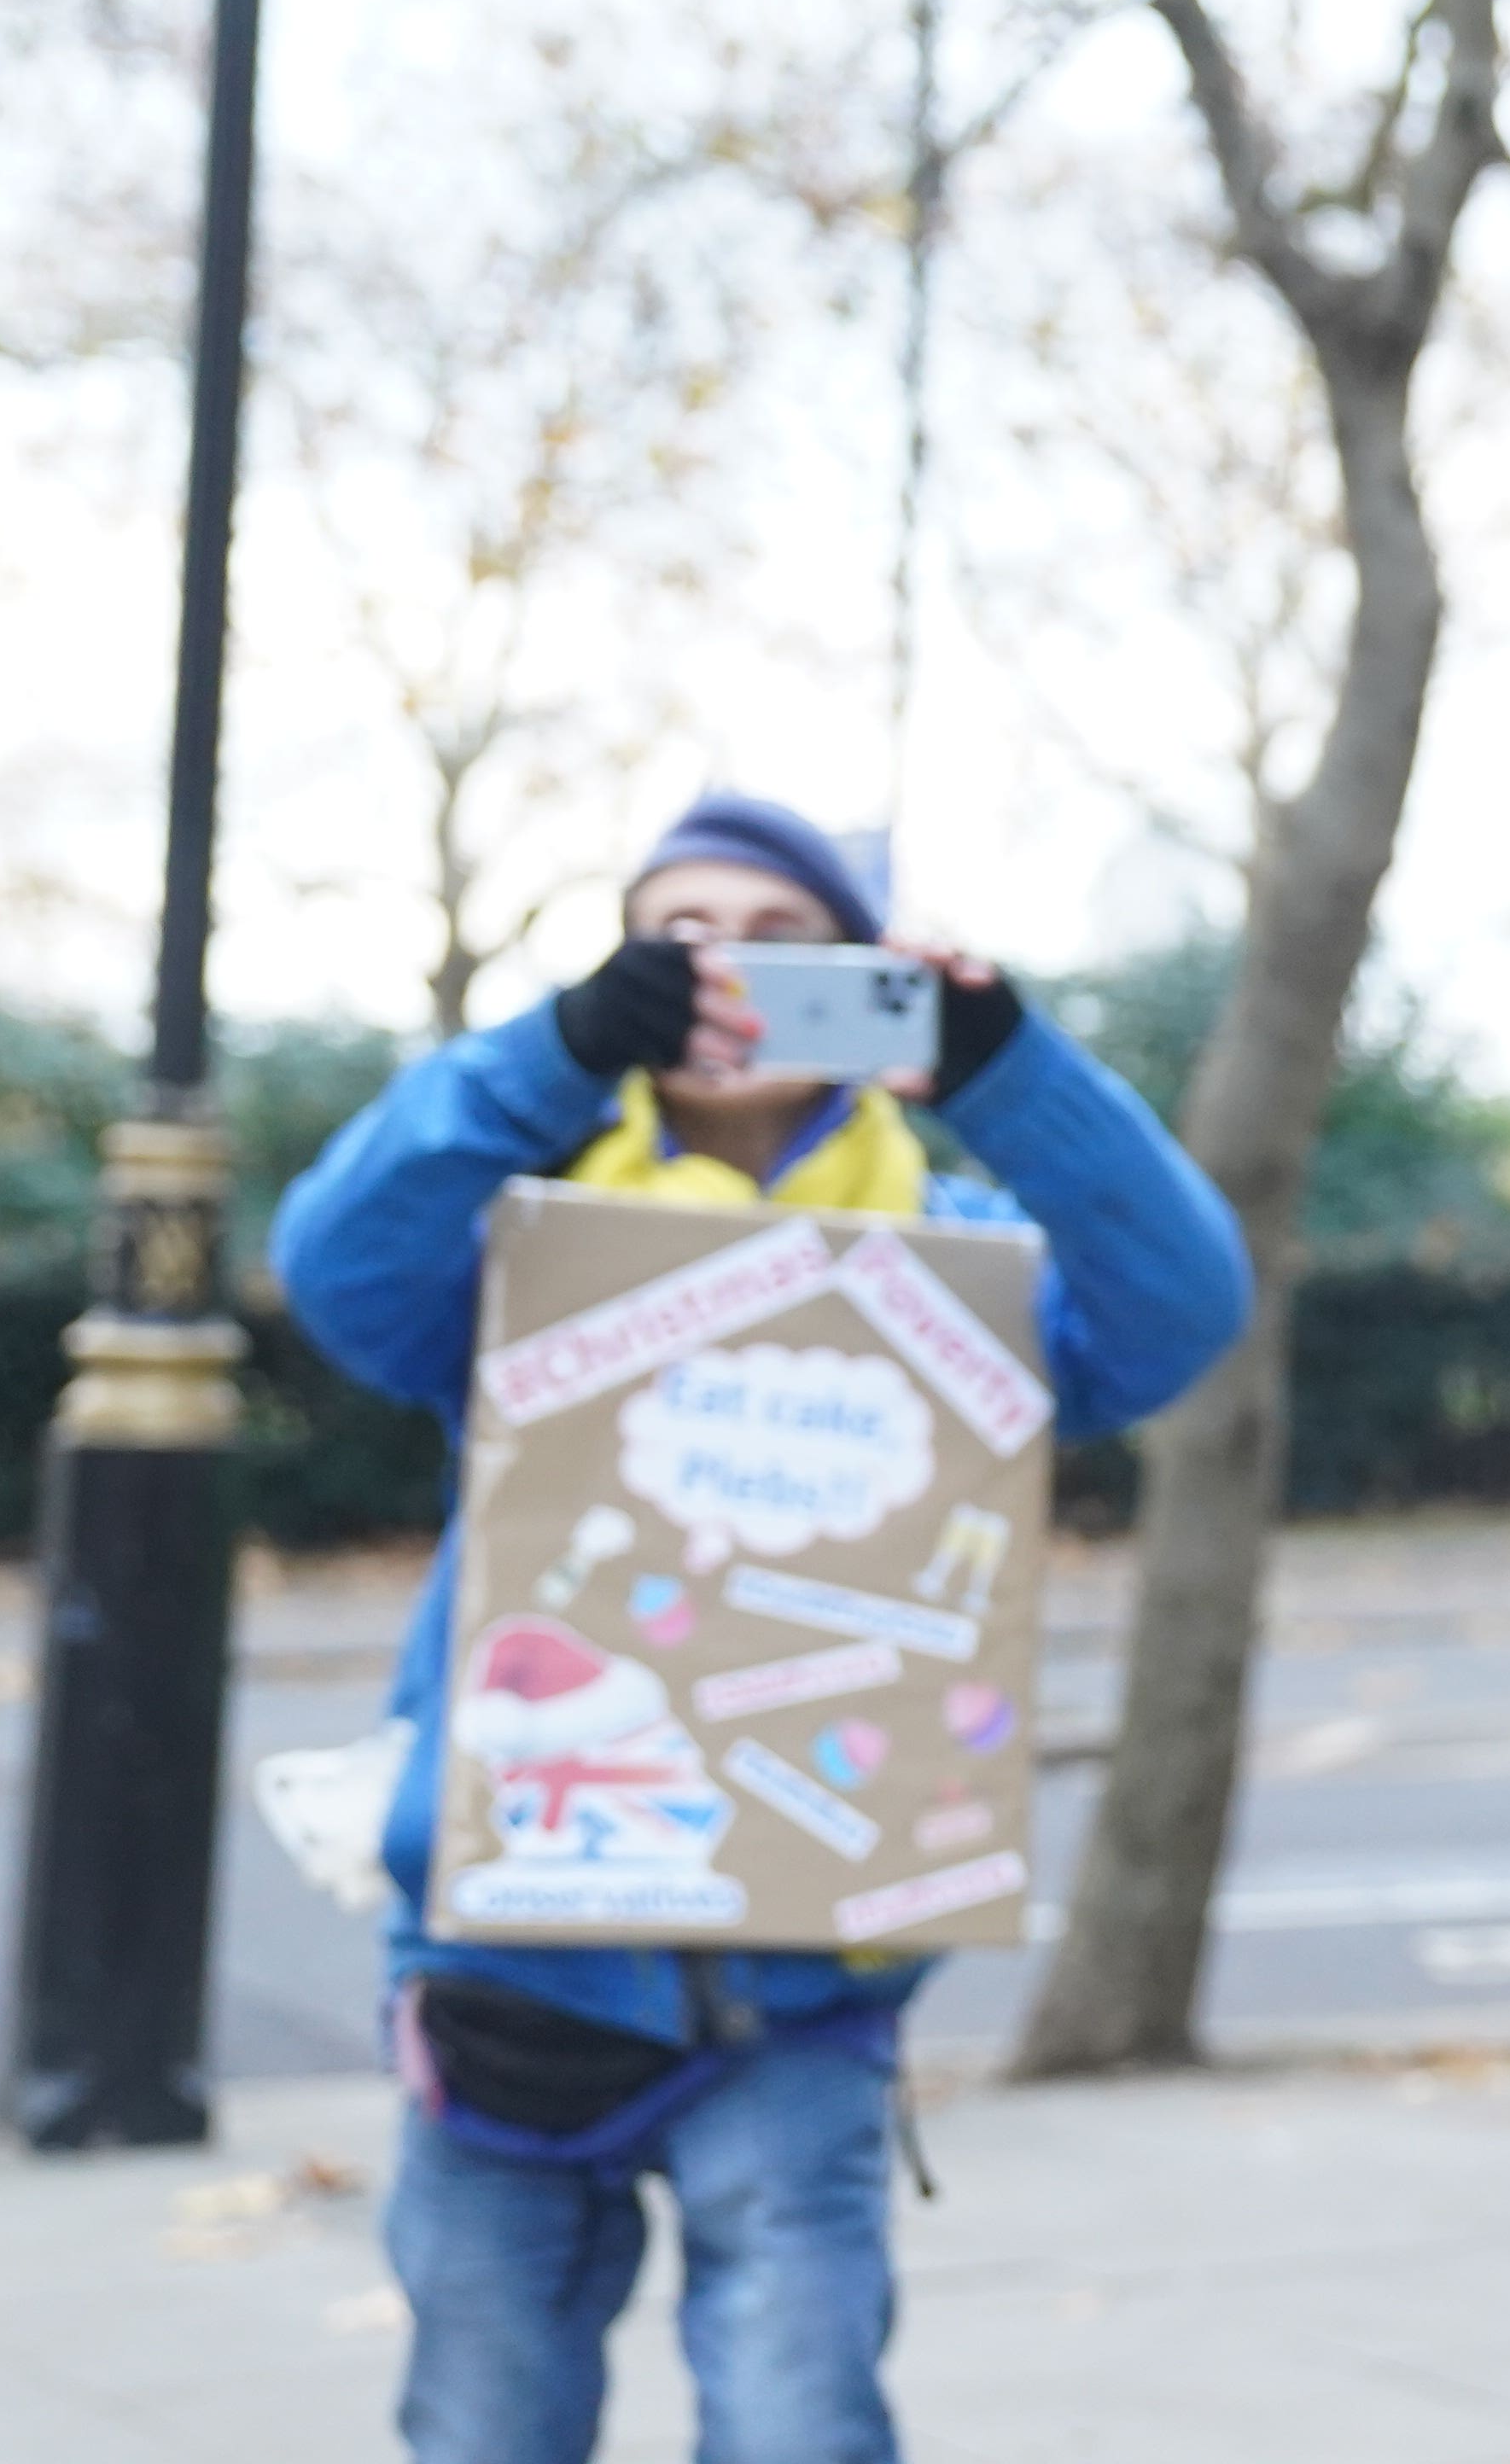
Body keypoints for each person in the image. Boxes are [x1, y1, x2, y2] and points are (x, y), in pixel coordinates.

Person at [274, 792, 1246, 2464]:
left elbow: (1181, 1303)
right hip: (515, 1979)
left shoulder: (963, 1264)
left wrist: (1017, 1071)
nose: (725, 969)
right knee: (483, 2423)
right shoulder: (517, 1246)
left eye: (781, 941)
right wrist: (549, 1053)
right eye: (678, 938)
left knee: (800, 2424)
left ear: (868, 978)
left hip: (798, 1995)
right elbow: (333, 1258)